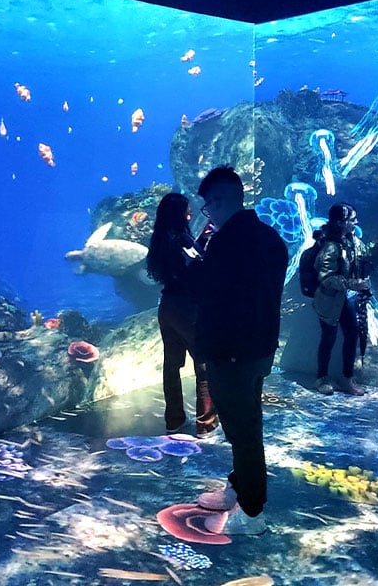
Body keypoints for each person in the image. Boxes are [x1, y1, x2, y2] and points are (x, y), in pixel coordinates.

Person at [188, 166, 288, 535]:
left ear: (219, 201)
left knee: (241, 429)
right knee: (247, 422)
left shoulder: (227, 243)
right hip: (258, 349)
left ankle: (251, 507)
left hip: (230, 352)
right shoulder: (270, 238)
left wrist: (192, 266)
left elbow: (211, 296)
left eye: (208, 205)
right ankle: (239, 485)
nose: (208, 213)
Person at [146, 193, 218, 438]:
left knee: (172, 365)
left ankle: (174, 420)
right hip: (187, 307)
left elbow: (187, 257)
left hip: (167, 306)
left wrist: (202, 238)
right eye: (187, 211)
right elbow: (197, 264)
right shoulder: (179, 239)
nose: (190, 215)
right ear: (178, 214)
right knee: (204, 362)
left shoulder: (160, 239)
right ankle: (206, 423)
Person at [312, 202, 369, 396]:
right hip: (328, 301)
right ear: (340, 222)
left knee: (351, 333)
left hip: (343, 298)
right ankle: (321, 378)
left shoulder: (348, 241)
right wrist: (352, 284)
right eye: (352, 219)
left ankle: (347, 378)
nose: (356, 222)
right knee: (328, 338)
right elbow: (326, 277)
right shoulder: (330, 246)